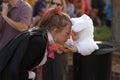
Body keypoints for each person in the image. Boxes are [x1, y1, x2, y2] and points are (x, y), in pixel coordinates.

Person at [0, 7, 72, 80]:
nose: (69, 37)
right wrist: (32, 75)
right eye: (67, 33)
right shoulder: (38, 42)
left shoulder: (40, 37)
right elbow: (18, 70)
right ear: (56, 30)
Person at [64, 6, 99, 80]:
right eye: (71, 33)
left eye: (75, 34)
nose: (72, 36)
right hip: (78, 67)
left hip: (87, 68)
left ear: (82, 33)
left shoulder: (87, 42)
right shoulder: (75, 39)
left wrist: (77, 49)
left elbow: (89, 47)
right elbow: (68, 42)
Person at [42, 0, 69, 80]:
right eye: (53, 3)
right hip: (45, 52)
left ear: (62, 6)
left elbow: (70, 38)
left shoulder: (66, 20)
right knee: (46, 76)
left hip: (59, 53)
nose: (55, 5)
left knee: (58, 77)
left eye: (58, 4)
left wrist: (63, 48)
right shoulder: (46, 17)